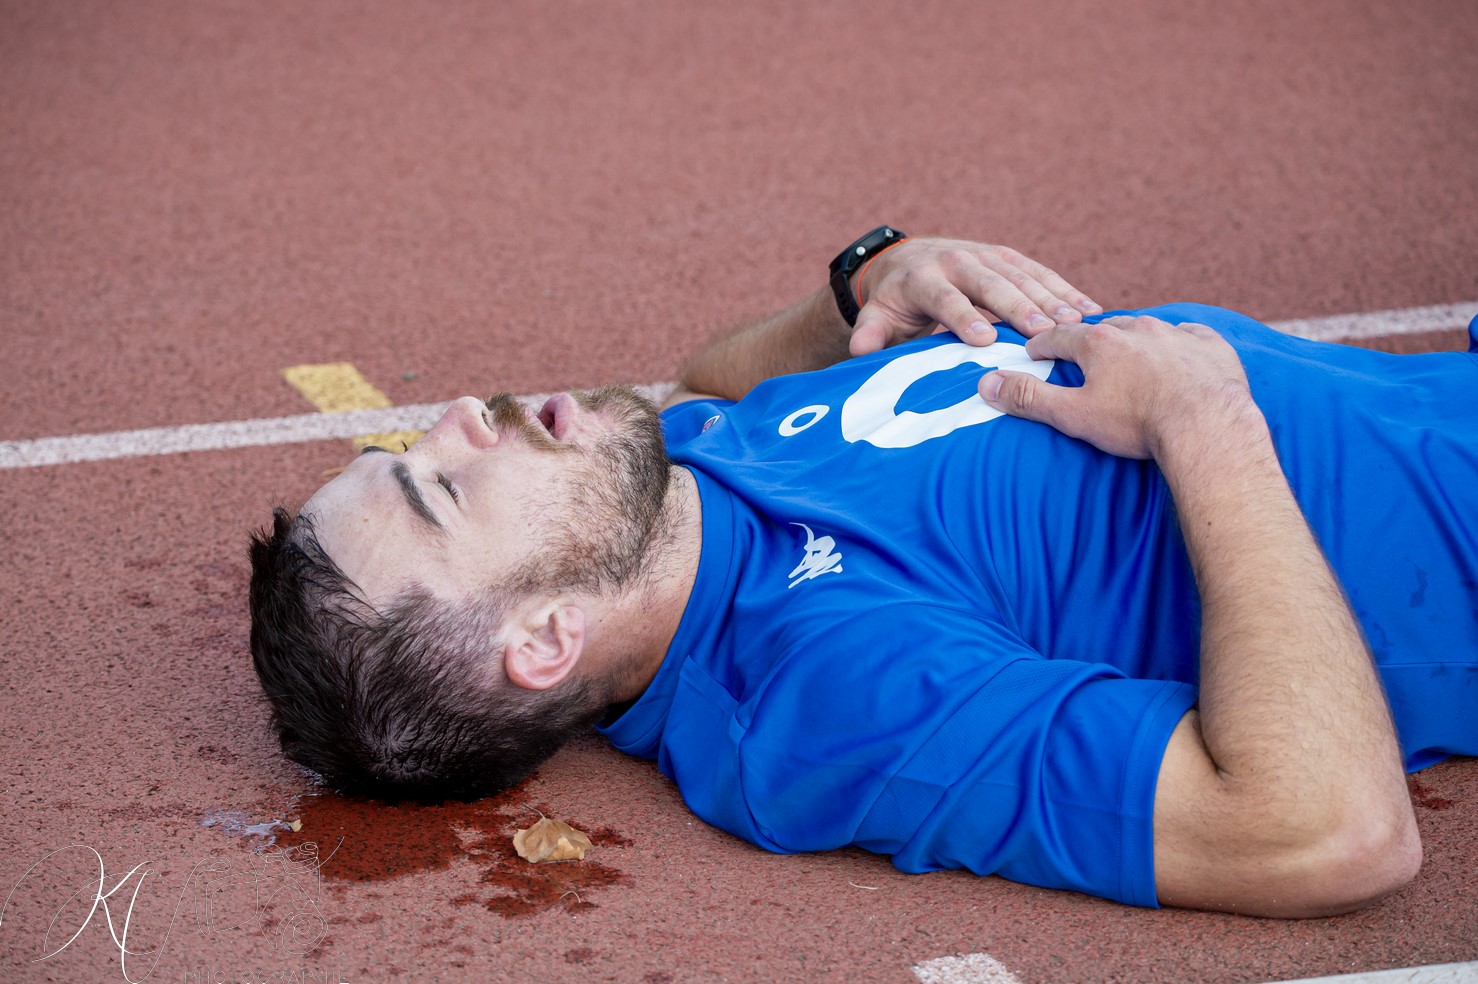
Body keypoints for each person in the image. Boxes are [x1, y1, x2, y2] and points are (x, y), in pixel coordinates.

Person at [248, 231, 1478, 919]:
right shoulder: (823, 698)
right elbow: (1324, 836)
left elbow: (711, 387)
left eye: (402, 444)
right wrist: (1204, 424)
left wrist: (861, 284)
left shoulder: (649, 492)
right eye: (440, 486)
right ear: (547, 639)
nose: (461, 413)